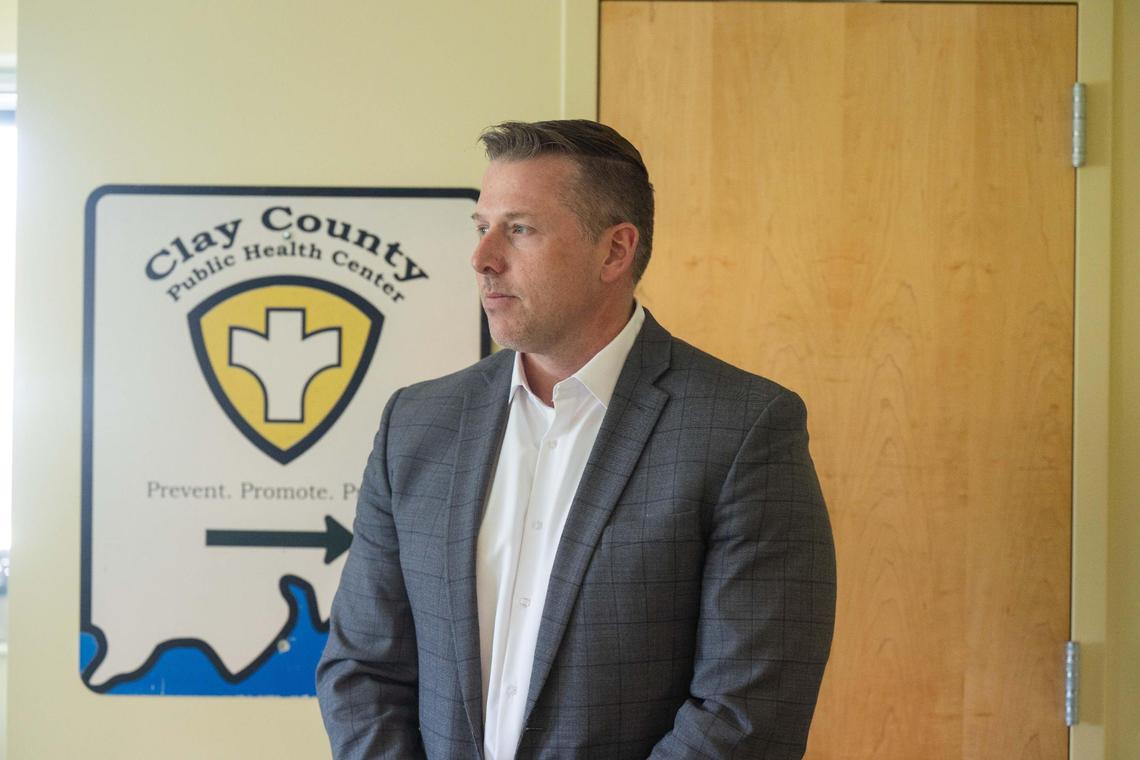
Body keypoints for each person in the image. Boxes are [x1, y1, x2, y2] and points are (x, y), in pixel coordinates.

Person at [316, 119, 836, 760]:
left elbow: (748, 714)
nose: (482, 258)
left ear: (614, 252)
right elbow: (362, 673)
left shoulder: (744, 430)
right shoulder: (416, 424)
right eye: (482, 227)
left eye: (521, 228)